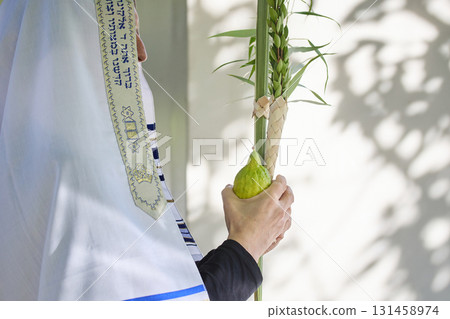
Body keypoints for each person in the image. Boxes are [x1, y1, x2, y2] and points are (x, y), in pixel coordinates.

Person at [0, 0, 293, 301]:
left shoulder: (27, 177)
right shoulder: (81, 195)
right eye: (124, 32)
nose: (141, 53)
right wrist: (246, 246)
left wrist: (246, 240)